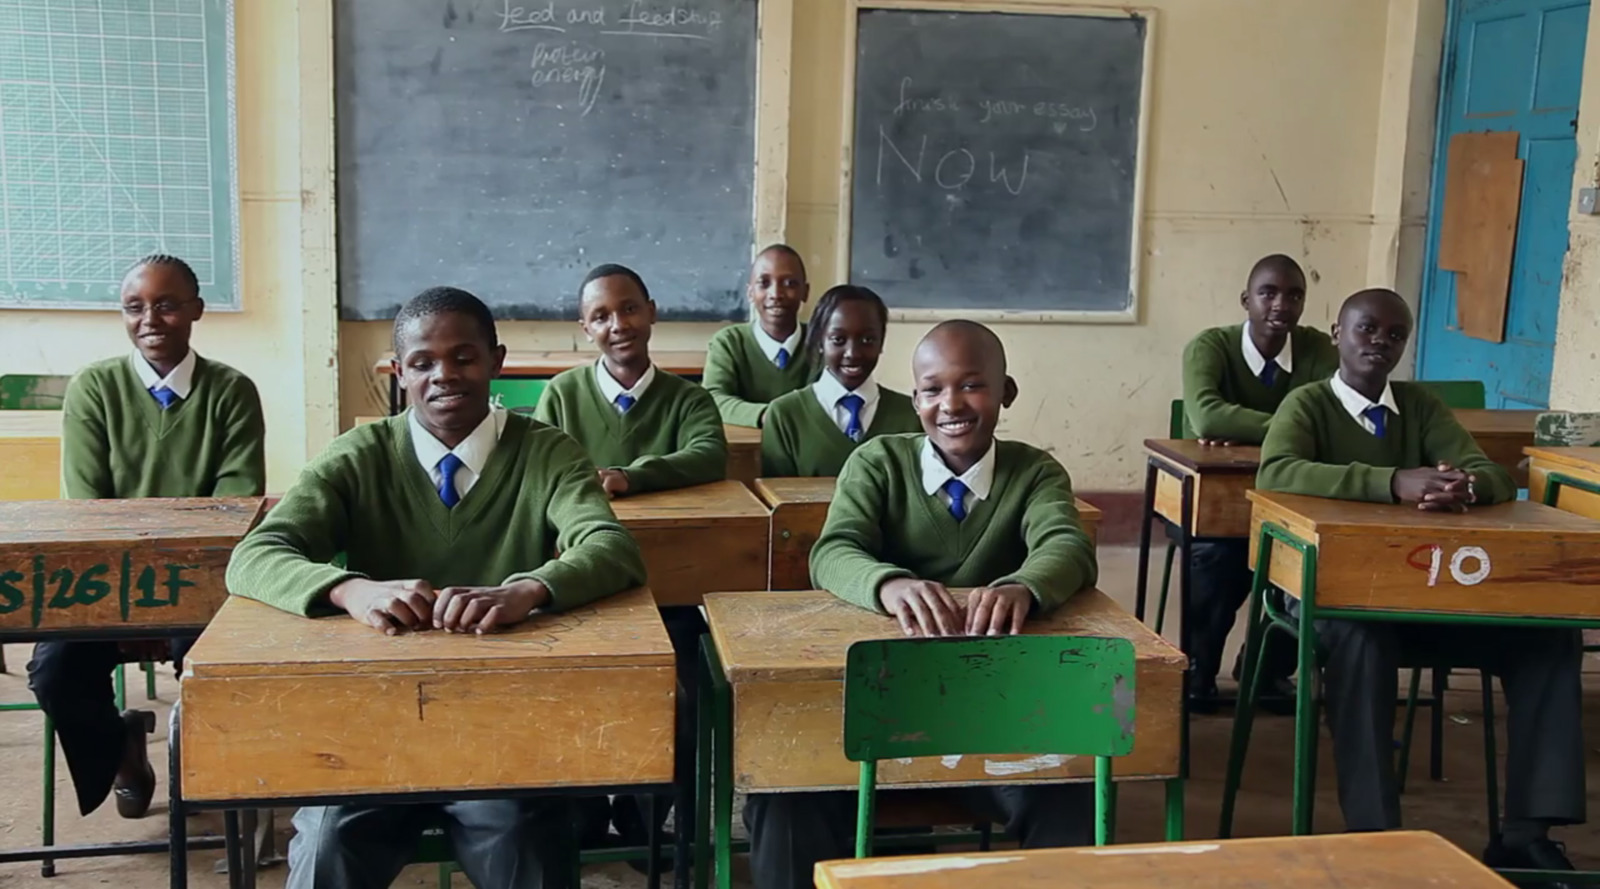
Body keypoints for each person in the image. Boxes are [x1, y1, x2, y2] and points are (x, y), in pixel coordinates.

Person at [226, 286, 646, 889]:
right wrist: (352, 591)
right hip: (374, 724)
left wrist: (526, 589)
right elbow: (255, 555)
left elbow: (611, 547)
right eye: (423, 363)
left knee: (527, 844)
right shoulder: (358, 455)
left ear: (496, 362)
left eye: (464, 358)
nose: (444, 375)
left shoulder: (548, 452)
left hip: (503, 726)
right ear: (400, 373)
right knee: (326, 849)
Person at [743, 320, 1097, 889]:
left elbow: (1067, 544)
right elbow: (834, 550)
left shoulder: (1034, 472)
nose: (951, 404)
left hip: (992, 710)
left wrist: (1024, 585)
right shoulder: (878, 463)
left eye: (972, 386)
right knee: (784, 791)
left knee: (1071, 783)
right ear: (915, 400)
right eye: (932, 390)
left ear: (1006, 392)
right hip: (876, 700)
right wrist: (890, 584)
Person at [1257, 288, 1583, 879]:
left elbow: (1490, 474)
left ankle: (1526, 832)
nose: (1378, 342)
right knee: (1362, 641)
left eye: (1394, 334)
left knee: (1547, 639)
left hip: (1423, 596)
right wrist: (1392, 483)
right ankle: (1376, 835)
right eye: (1365, 329)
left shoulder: (1419, 405)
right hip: (1330, 595)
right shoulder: (1306, 405)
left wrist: (1463, 488)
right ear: (1336, 333)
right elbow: (1278, 472)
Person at [29, 253, 265, 819]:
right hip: (105, 582)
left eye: (166, 304)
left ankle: (219, 784)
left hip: (198, 586)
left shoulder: (230, 391)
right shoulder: (95, 388)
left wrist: (164, 602)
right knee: (55, 670)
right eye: (135, 307)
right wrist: (130, 607)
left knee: (220, 664)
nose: (150, 319)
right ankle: (123, 756)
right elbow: (89, 509)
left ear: (196, 311)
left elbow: (228, 513)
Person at [533, 263, 724, 854]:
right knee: (572, 695)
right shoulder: (563, 395)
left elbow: (708, 456)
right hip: (582, 590)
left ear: (652, 311)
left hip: (673, 597)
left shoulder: (688, 398)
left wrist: (627, 477)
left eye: (629, 309)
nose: (619, 325)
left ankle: (646, 814)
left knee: (684, 705)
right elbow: (537, 470)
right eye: (601, 316)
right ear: (584, 328)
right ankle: (586, 811)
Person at [1180, 253, 1338, 712]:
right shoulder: (1210, 347)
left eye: (1294, 295)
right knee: (1217, 558)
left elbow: (1330, 420)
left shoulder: (1318, 352)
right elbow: (1206, 414)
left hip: (1291, 497)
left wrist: (1248, 426)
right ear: (1246, 300)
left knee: (1313, 558)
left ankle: (1264, 670)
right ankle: (1196, 670)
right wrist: (1294, 427)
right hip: (1215, 504)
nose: (1280, 304)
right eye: (1268, 293)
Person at [760, 284, 919, 477]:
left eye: (868, 340)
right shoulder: (785, 415)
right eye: (838, 340)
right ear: (820, 342)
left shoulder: (911, 415)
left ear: (881, 342)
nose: (852, 353)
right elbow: (778, 499)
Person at [703, 245, 817, 427]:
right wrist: (769, 415)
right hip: (744, 450)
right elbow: (714, 398)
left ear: (805, 292)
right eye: (764, 283)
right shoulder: (729, 343)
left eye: (789, 283)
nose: (776, 294)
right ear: (750, 293)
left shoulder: (821, 343)